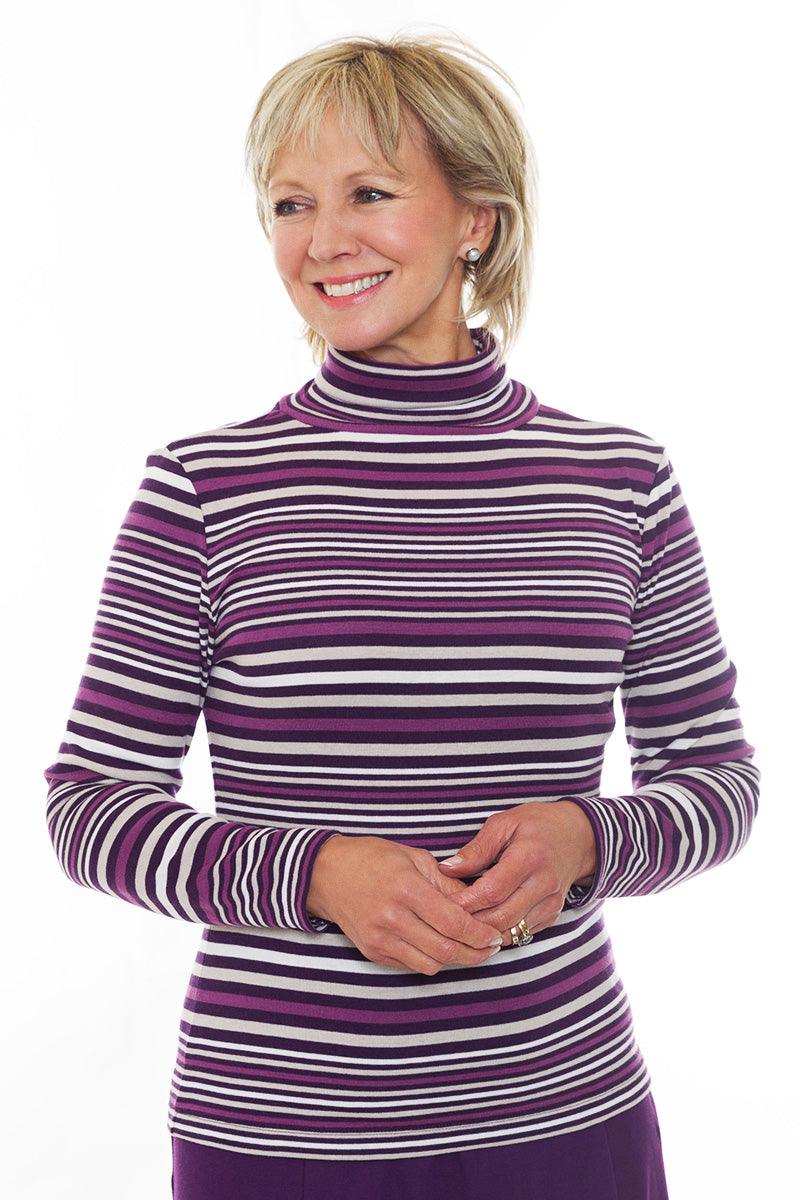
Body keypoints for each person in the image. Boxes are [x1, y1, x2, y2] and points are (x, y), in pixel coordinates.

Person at [43, 30, 759, 1200]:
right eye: (290, 203)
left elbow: (714, 778)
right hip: (281, 1135)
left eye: (368, 194)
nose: (322, 240)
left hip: (563, 1117)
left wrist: (586, 839)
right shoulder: (206, 490)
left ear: (477, 216)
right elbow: (89, 807)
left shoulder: (616, 481)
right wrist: (313, 872)